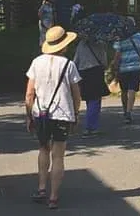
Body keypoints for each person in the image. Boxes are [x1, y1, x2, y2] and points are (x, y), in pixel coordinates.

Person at [25, 26, 82, 210]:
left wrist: (29, 115)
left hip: (40, 113)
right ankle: (53, 197)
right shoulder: (69, 65)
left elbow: (29, 94)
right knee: (59, 155)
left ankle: (41, 188)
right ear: (64, 45)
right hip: (62, 114)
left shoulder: (36, 62)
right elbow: (76, 95)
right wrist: (76, 114)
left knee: (43, 149)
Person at [112, 26, 140, 124]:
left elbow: (117, 54)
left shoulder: (119, 38)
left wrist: (115, 66)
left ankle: (125, 110)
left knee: (124, 90)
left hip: (123, 68)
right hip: (136, 67)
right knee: (132, 90)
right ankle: (129, 111)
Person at [73, 37, 110, 137]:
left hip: (83, 73)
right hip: (96, 71)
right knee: (95, 99)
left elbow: (76, 60)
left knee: (89, 99)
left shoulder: (81, 43)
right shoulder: (100, 42)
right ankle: (91, 126)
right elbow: (103, 60)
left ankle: (91, 124)